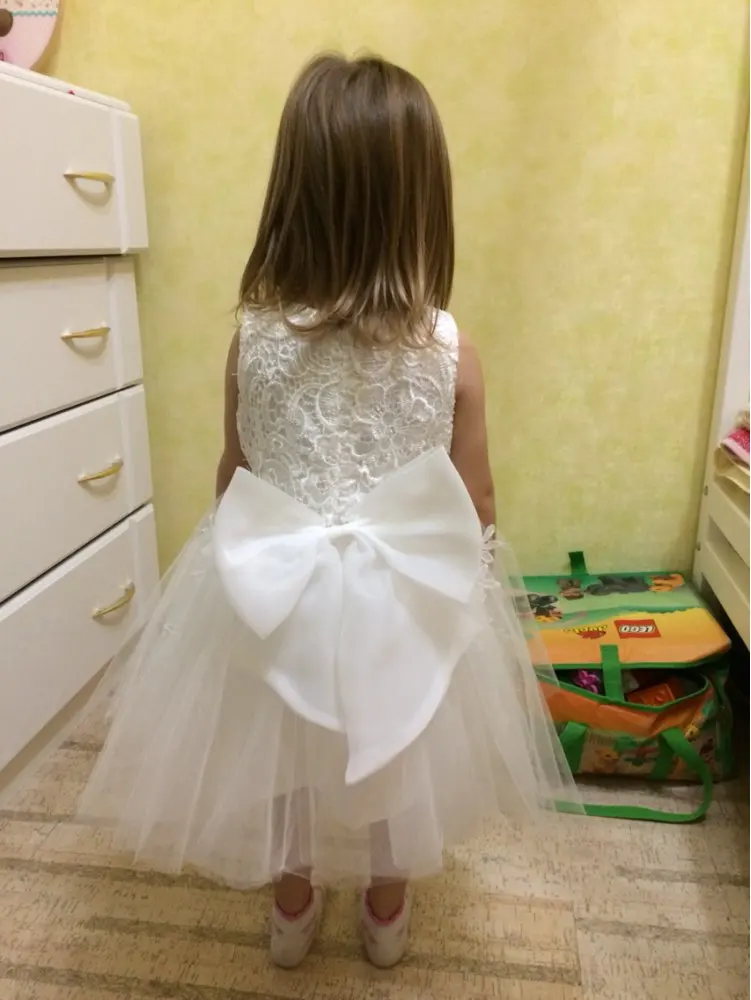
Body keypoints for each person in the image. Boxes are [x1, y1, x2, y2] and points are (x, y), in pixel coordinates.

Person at [32, 53, 581, 970]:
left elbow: (236, 471)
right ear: (421, 200)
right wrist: (470, 586)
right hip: (400, 602)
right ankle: (386, 912)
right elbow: (474, 496)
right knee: (398, 744)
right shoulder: (452, 351)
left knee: (280, 753)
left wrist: (234, 564)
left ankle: (291, 912)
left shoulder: (252, 339)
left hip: (278, 594)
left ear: (293, 191)